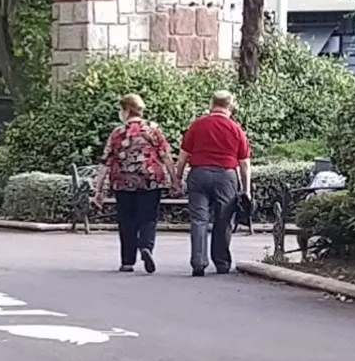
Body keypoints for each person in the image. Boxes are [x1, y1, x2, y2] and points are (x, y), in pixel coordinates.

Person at [93, 94, 177, 274]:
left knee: (126, 220)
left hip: (123, 182)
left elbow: (106, 162)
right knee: (148, 217)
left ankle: (127, 261)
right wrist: (175, 180)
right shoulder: (153, 130)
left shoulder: (117, 133)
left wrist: (98, 189)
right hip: (150, 180)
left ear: (126, 110)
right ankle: (146, 246)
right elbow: (166, 156)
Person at [175, 90, 252, 277]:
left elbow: (183, 155)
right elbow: (244, 163)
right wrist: (246, 189)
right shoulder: (236, 129)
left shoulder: (197, 125)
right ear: (230, 106)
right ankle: (222, 262)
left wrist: (177, 178)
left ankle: (198, 263)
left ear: (212, 104)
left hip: (199, 174)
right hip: (226, 176)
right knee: (223, 219)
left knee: (199, 220)